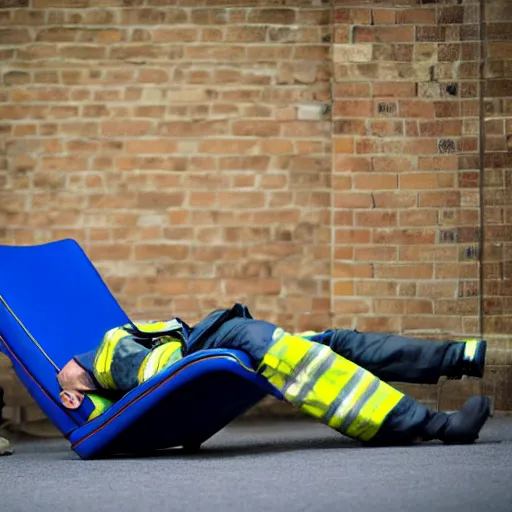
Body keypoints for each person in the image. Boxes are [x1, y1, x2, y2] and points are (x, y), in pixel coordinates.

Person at [57, 303, 491, 447]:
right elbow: (163, 374)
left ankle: (458, 357)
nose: (63, 378)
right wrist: (84, 395)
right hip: (216, 344)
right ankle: (436, 425)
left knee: (333, 342)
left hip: (215, 341)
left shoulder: (106, 351)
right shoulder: (109, 356)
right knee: (300, 361)